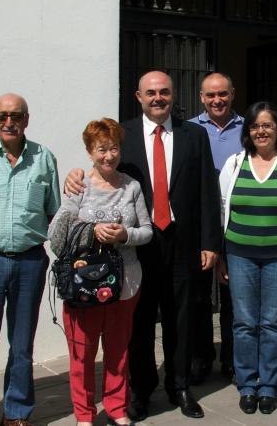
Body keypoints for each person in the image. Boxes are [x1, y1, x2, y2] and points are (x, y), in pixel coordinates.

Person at [64, 71, 222, 421]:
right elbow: (101, 168)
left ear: (173, 95)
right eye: (151, 93)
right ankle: (142, 389)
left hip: (183, 243)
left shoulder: (193, 135)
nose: (158, 98)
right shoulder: (125, 135)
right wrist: (74, 175)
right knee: (139, 321)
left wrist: (211, 242)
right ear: (139, 97)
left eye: (164, 92)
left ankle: (179, 386)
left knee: (181, 319)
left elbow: (208, 192)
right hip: (135, 247)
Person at [0, 94, 61, 426]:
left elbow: (54, 213)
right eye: (2, 116)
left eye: (16, 116)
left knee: (22, 344)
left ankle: (17, 411)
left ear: (27, 119)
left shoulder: (44, 157)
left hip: (30, 262)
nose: (9, 122)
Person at [50, 118, 152, 426]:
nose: (109, 155)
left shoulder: (131, 186)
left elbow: (147, 230)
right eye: (101, 149)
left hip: (124, 283)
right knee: (82, 354)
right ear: (89, 151)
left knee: (118, 350)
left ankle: (117, 408)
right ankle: (84, 414)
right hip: (84, 285)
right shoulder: (79, 187)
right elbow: (56, 234)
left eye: (114, 148)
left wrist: (124, 236)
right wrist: (92, 231)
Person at [218, 101, 277, 415]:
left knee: (273, 324)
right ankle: (247, 385)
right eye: (255, 126)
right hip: (239, 255)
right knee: (244, 323)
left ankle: (268, 386)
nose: (261, 131)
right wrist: (221, 257)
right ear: (248, 131)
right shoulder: (234, 164)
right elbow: (222, 211)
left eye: (267, 125)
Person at [188, 72, 244, 382]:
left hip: (236, 223)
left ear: (232, 93)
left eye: (222, 93)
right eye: (210, 95)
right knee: (198, 297)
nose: (217, 100)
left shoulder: (248, 127)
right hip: (200, 225)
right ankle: (201, 356)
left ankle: (232, 358)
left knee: (233, 296)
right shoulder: (190, 130)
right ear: (201, 98)